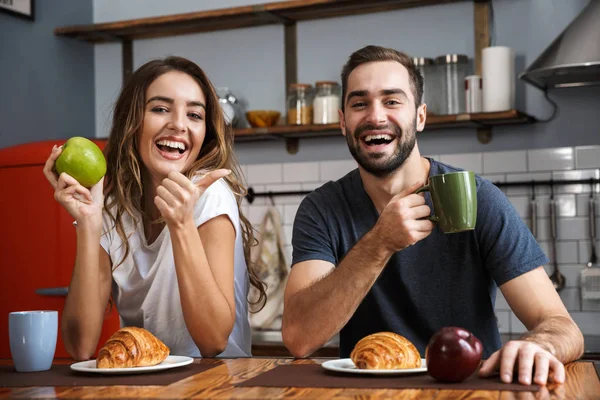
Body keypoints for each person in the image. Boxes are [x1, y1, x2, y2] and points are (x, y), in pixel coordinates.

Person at [282, 45, 584, 385]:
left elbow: (562, 327)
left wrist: (538, 345)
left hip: (467, 391)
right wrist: (379, 243)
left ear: (420, 116)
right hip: (370, 393)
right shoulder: (322, 209)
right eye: (359, 103)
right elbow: (299, 338)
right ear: (343, 122)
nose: (375, 116)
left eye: (392, 101)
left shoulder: (477, 198)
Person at [43, 56, 266, 359]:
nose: (178, 124)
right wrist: (89, 224)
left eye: (194, 115)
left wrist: (182, 223)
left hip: (217, 383)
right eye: (160, 109)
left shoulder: (209, 193)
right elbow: (80, 345)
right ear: (132, 122)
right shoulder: (113, 208)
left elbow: (213, 342)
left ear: (205, 133)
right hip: (145, 383)